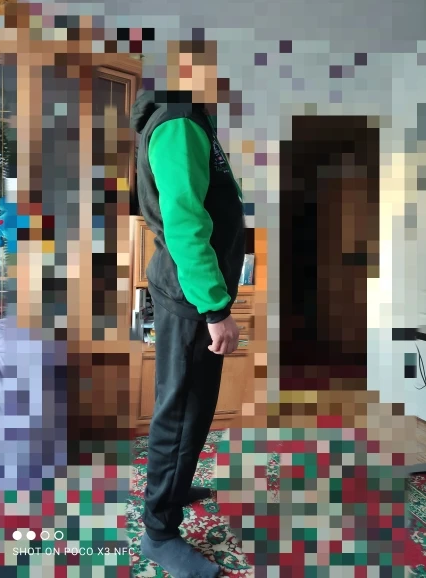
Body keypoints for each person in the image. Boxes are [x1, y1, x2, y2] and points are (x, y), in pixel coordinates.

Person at [130, 39, 245, 578]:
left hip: (189, 290)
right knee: (181, 410)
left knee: (190, 405)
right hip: (191, 294)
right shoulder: (178, 122)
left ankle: (173, 488)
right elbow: (185, 223)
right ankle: (159, 532)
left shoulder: (188, 117)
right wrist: (216, 308)